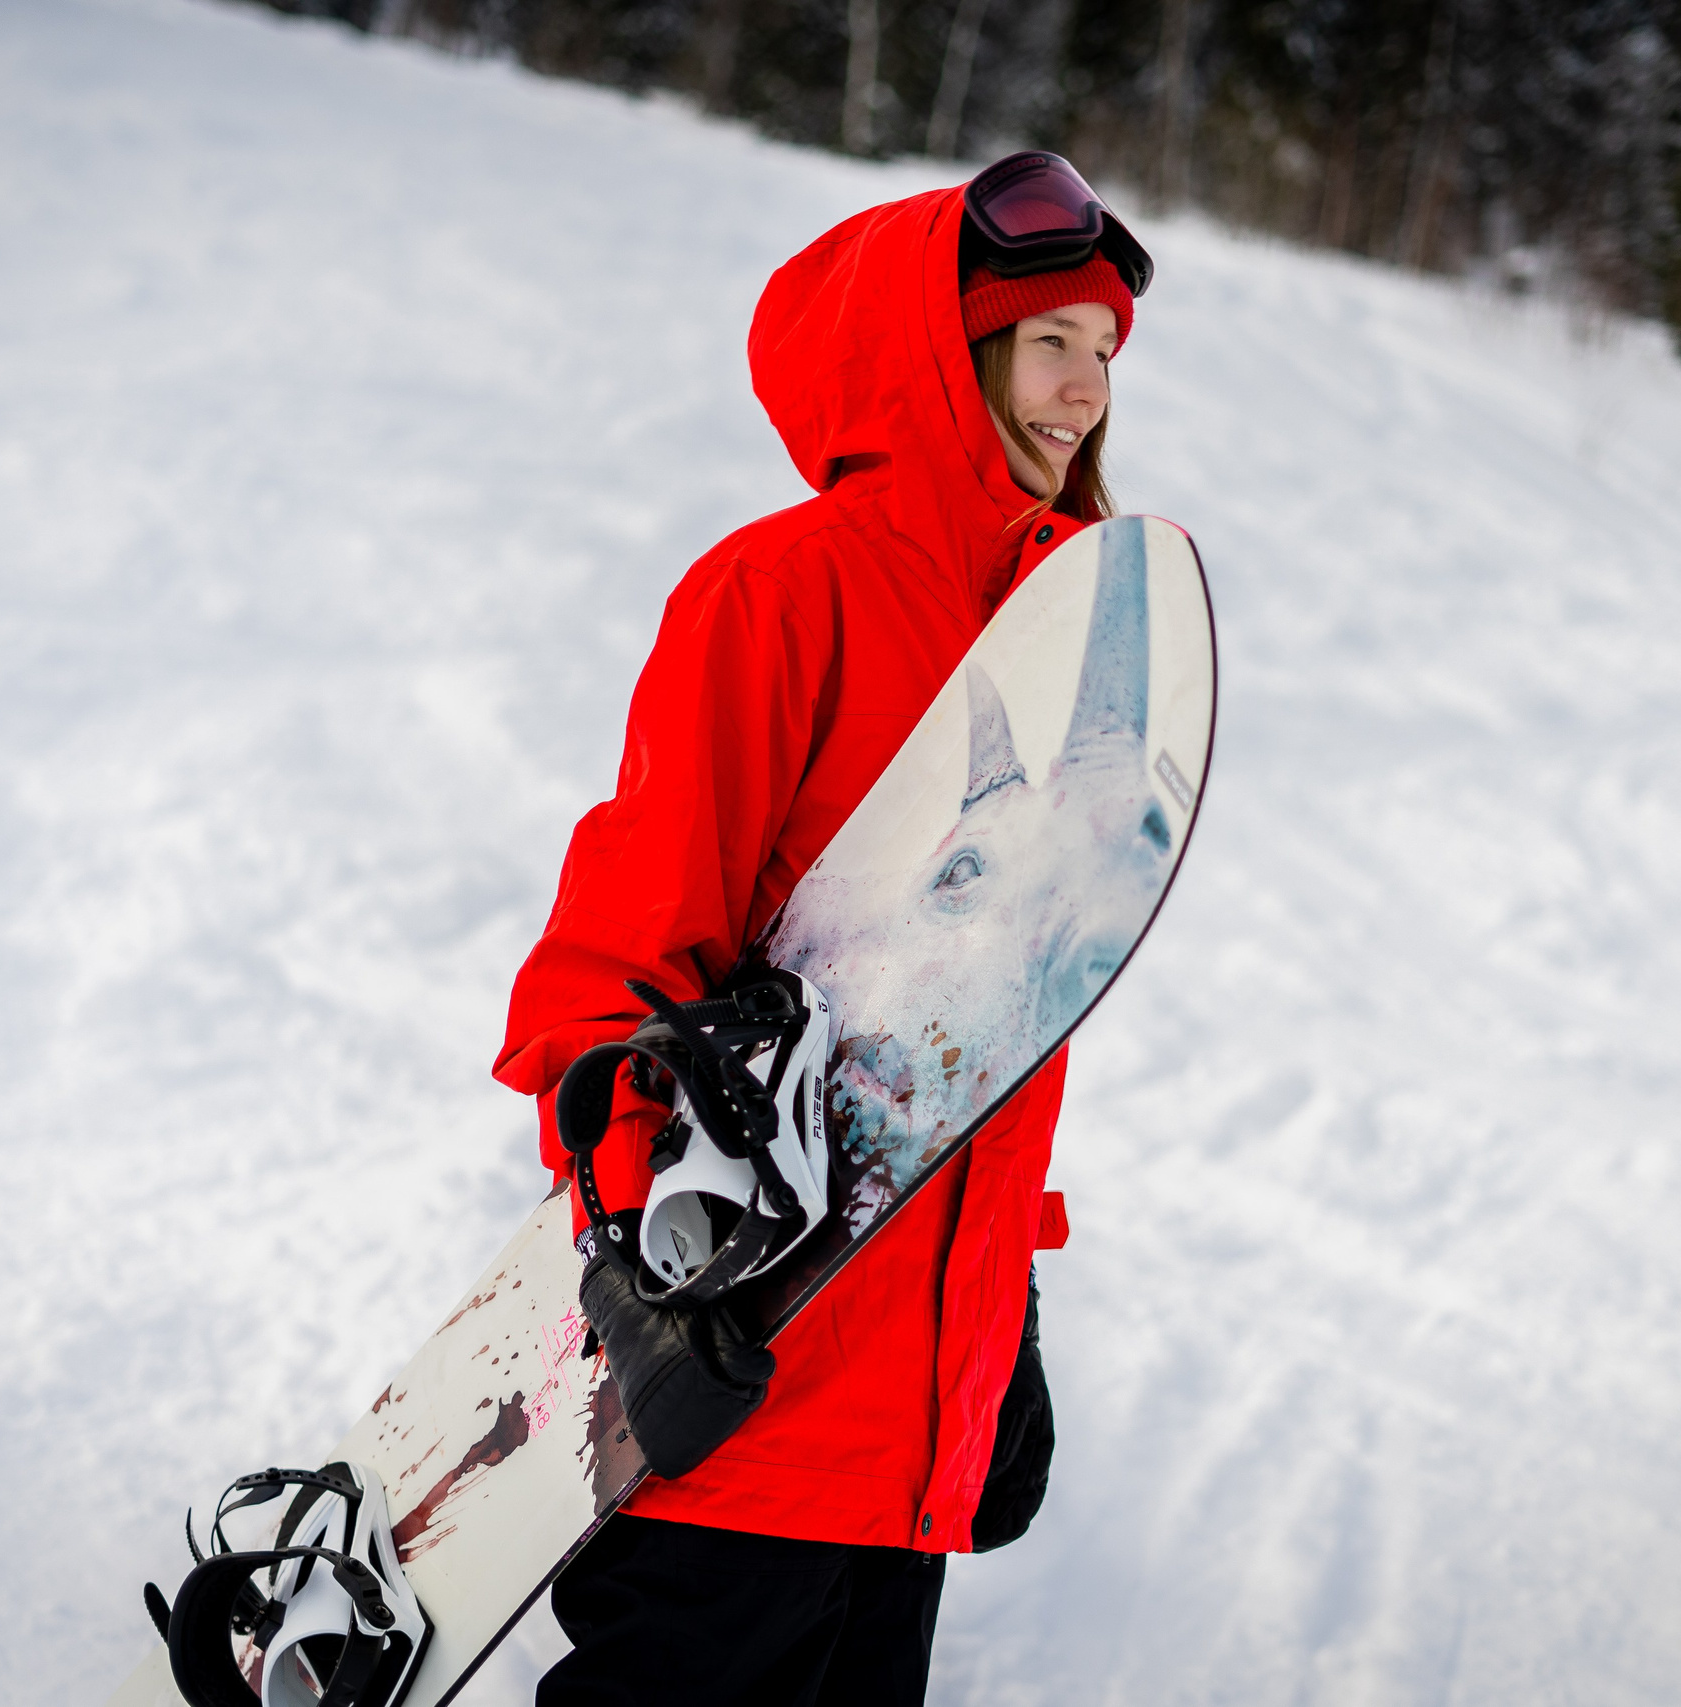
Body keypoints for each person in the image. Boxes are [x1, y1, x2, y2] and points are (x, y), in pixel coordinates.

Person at [492, 152, 1151, 1706]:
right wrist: (658, 1241)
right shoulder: (778, 596)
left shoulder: (1058, 645)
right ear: (946, 351)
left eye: (1108, 355)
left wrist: (1001, 1310)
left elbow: (973, 1028)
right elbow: (612, 967)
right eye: (1051, 341)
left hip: (914, 1431)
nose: (1084, 390)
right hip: (749, 1400)